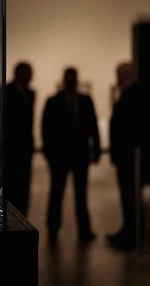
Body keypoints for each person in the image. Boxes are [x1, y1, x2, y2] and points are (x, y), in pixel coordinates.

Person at [42, 67, 101, 243]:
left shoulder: (85, 100)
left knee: (81, 193)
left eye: (74, 77)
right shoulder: (53, 101)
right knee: (57, 193)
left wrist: (96, 149)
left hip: (80, 155)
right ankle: (53, 228)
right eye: (69, 77)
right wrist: (49, 153)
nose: (72, 80)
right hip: (60, 156)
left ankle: (84, 230)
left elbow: (93, 126)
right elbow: (46, 129)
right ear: (64, 79)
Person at [108, 62, 148, 250]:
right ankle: (129, 232)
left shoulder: (133, 94)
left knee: (130, 196)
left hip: (131, 157)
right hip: (129, 156)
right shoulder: (135, 93)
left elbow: (129, 127)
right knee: (129, 197)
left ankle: (131, 236)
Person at [4, 62, 35, 216]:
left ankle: (22, 218)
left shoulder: (30, 93)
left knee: (24, 187)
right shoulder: (6, 92)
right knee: (12, 187)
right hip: (10, 149)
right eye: (28, 73)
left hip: (25, 148)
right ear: (18, 74)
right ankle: (11, 218)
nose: (31, 77)